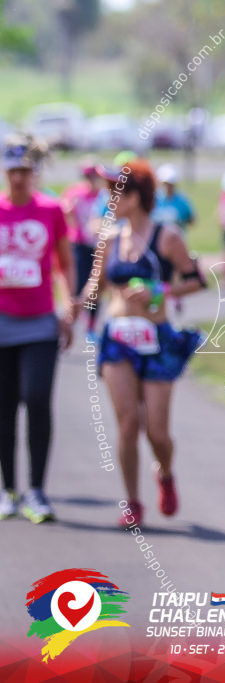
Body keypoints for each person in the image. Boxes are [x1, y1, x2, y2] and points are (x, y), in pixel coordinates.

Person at [78, 159, 206, 528]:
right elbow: (95, 287)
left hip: (158, 339)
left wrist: (159, 289)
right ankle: (132, 501)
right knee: (128, 424)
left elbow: (197, 280)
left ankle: (165, 473)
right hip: (118, 339)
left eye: (115, 191)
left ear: (136, 196)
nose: (109, 198)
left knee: (157, 432)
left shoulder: (167, 237)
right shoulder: (108, 238)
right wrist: (76, 303)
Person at [0, 134, 75, 523]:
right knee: (4, 407)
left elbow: (64, 263)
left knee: (37, 398)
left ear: (33, 173)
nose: (17, 178)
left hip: (40, 322)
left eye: (24, 171)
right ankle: (8, 488)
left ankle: (38, 492)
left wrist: (68, 306)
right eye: (12, 171)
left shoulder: (51, 209)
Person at [61, 160, 104, 340]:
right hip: (79, 245)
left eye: (93, 176)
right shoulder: (74, 193)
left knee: (96, 286)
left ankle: (92, 326)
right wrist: (69, 213)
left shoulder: (104, 195)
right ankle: (73, 319)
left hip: (99, 246)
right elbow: (64, 218)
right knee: (78, 285)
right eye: (87, 176)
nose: (90, 180)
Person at [153, 164, 195, 230]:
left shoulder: (182, 201)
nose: (168, 187)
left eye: (170, 184)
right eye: (166, 184)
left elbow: (191, 220)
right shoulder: (154, 200)